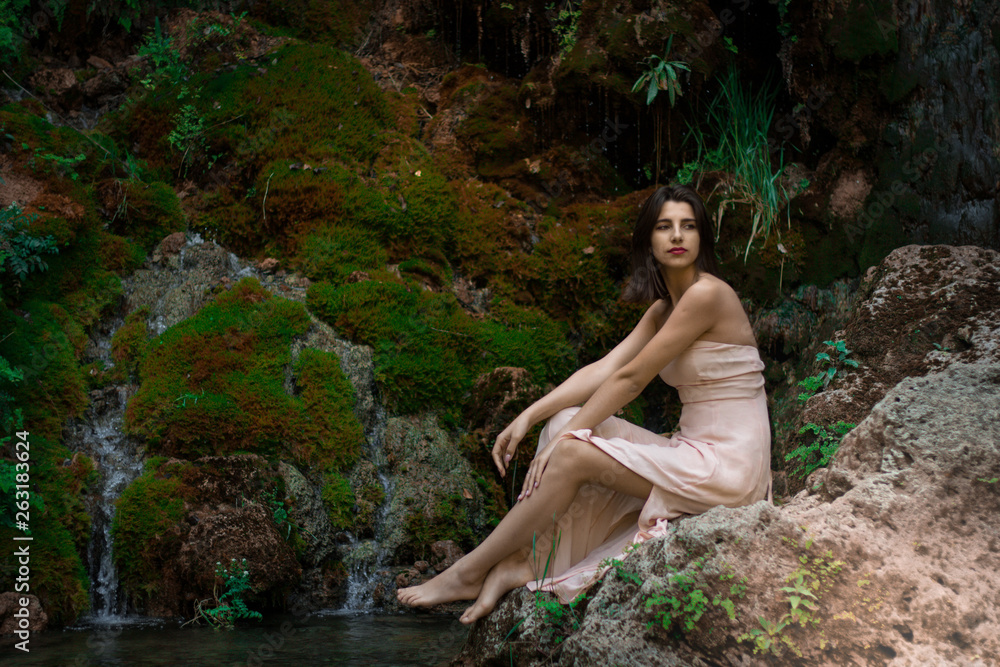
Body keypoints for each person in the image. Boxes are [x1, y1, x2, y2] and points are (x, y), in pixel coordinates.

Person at [397, 184, 771, 624]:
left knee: (572, 446)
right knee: (564, 422)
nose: (677, 236)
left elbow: (631, 380)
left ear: (702, 238)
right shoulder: (660, 310)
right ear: (648, 240)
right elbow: (605, 368)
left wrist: (571, 442)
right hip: (691, 450)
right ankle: (529, 561)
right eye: (664, 226)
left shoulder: (709, 295)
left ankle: (467, 572)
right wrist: (529, 415)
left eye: (688, 227)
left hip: (730, 468)